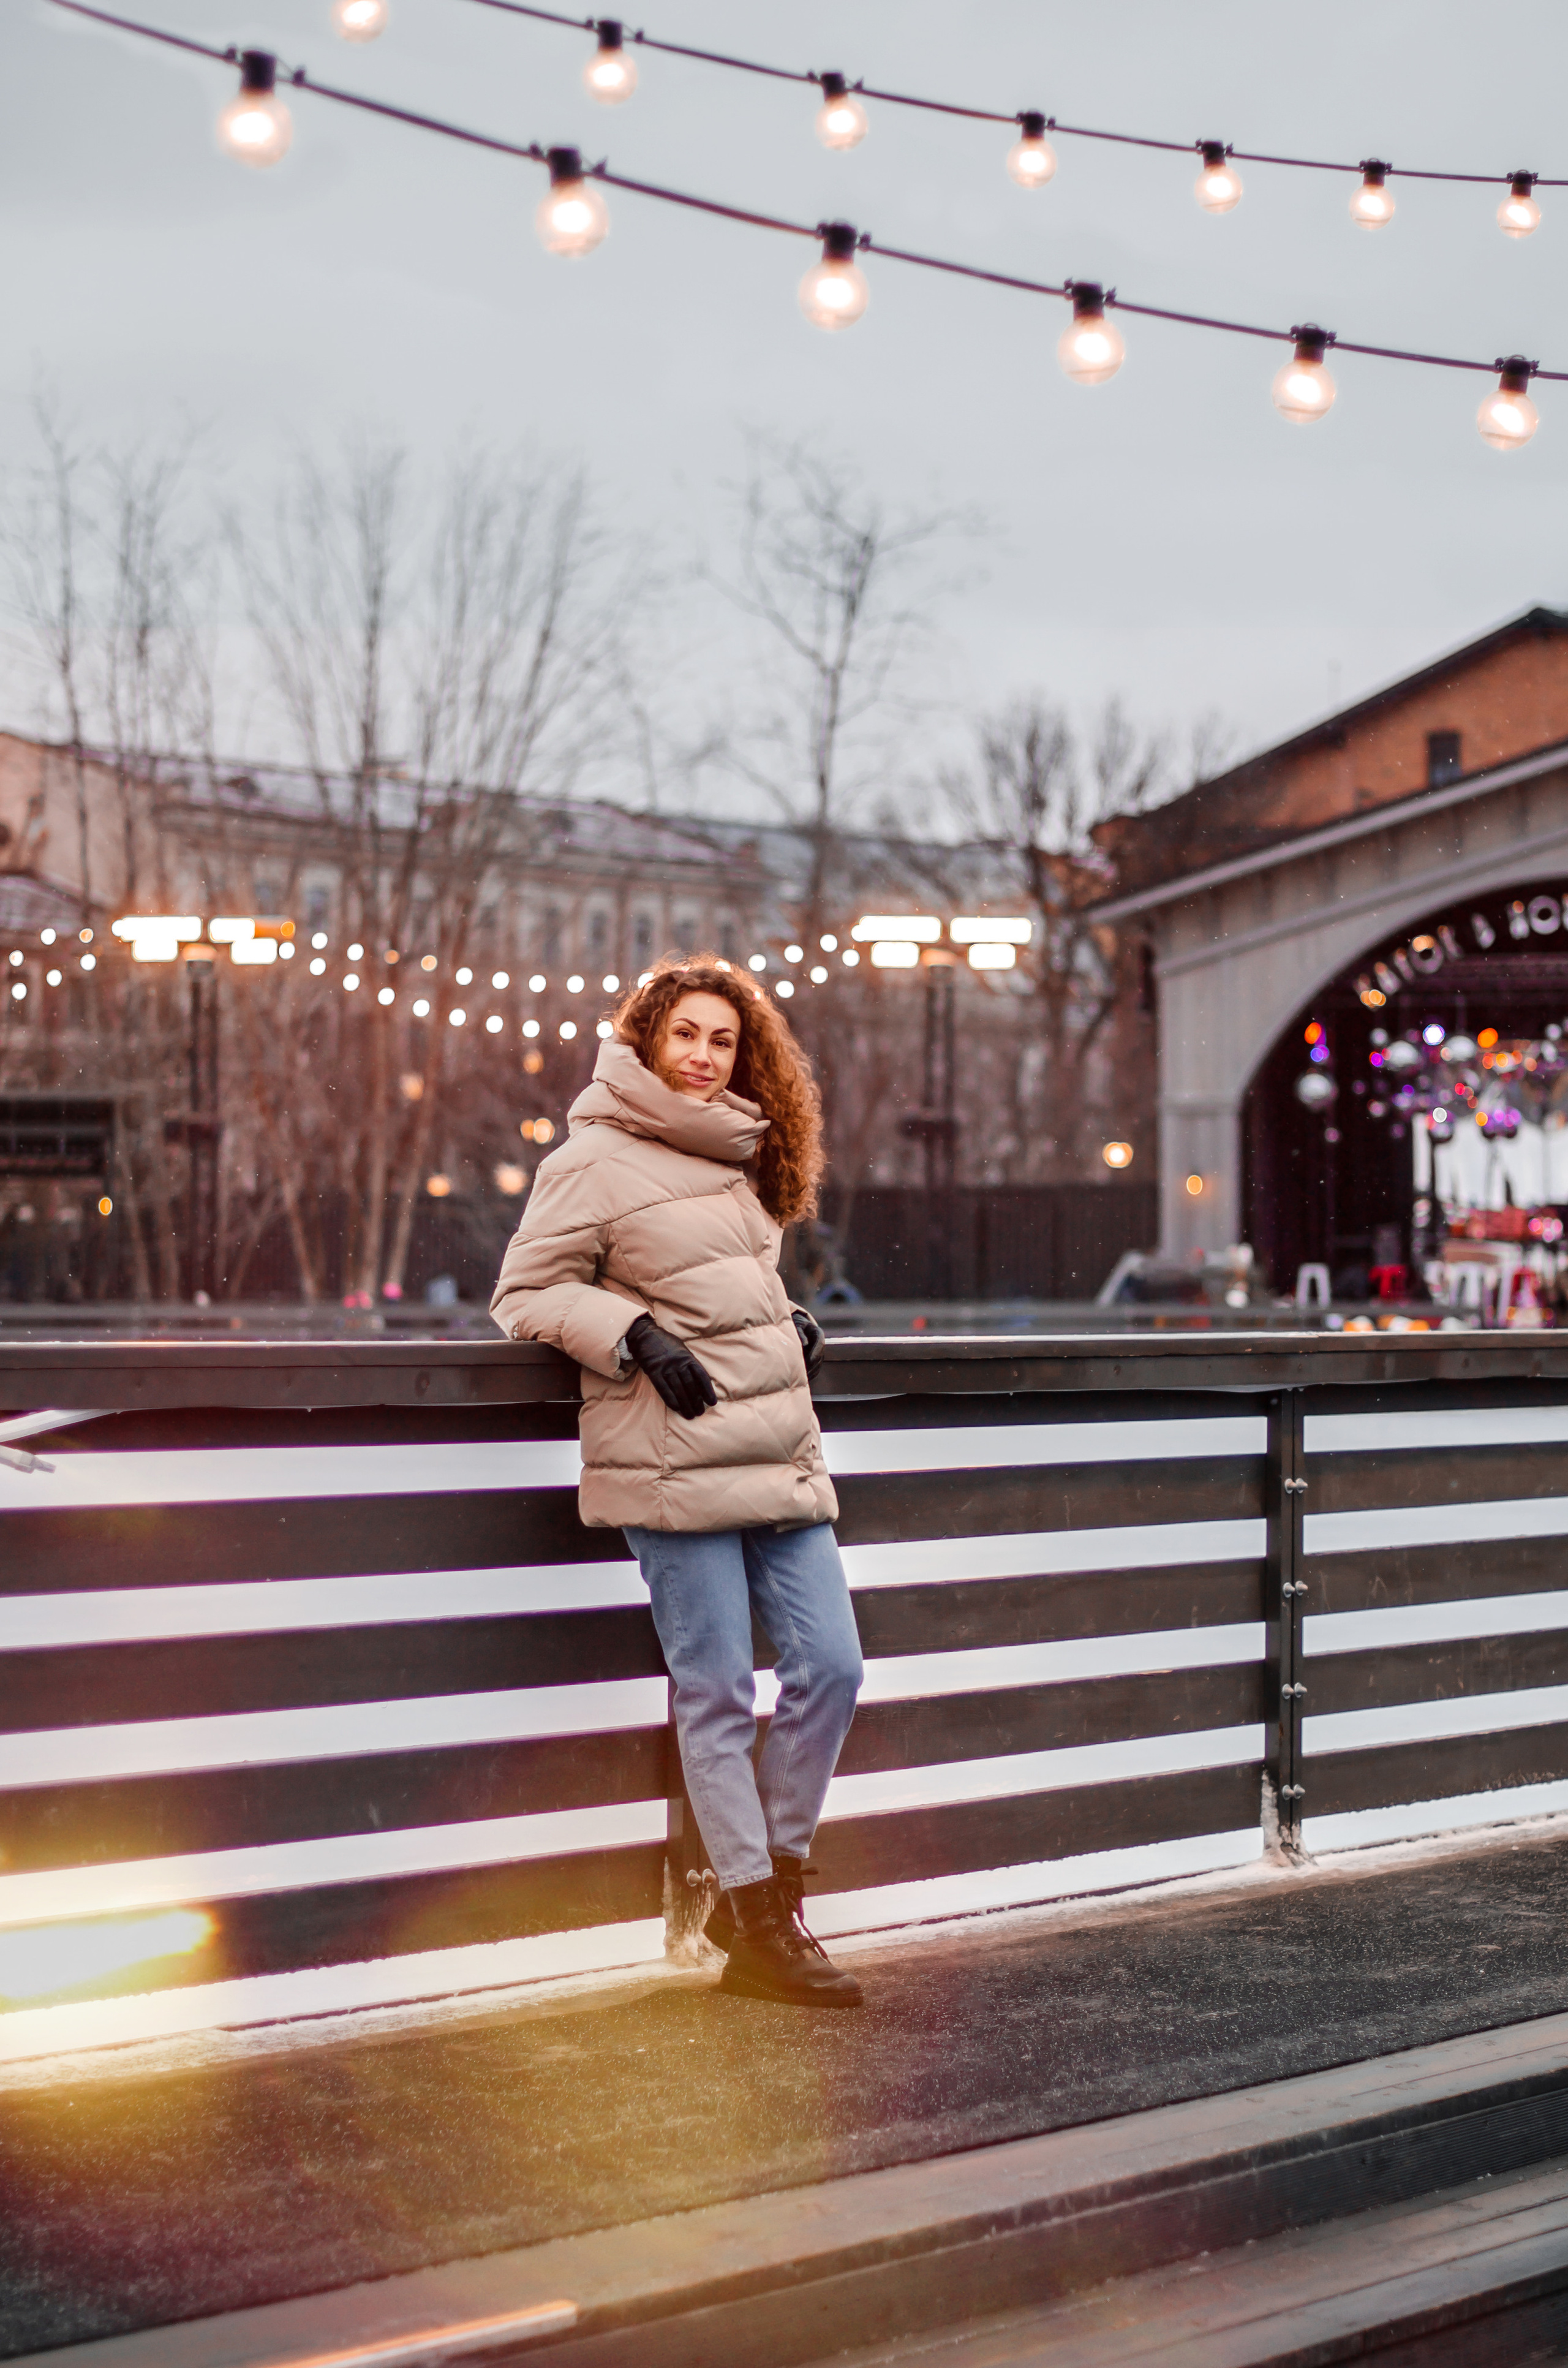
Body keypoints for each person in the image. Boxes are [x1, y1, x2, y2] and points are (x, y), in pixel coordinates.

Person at [491, 956, 865, 2008]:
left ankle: (769, 1893)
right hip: (668, 1455)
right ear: (647, 1039)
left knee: (832, 1667)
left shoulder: (737, 1153)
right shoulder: (592, 1158)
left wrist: (781, 1320)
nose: (704, 1057)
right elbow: (524, 1292)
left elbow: (726, 1281)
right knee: (717, 1692)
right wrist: (634, 1333)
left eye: (724, 1041)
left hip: (772, 1446)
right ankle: (759, 1922)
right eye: (686, 1035)